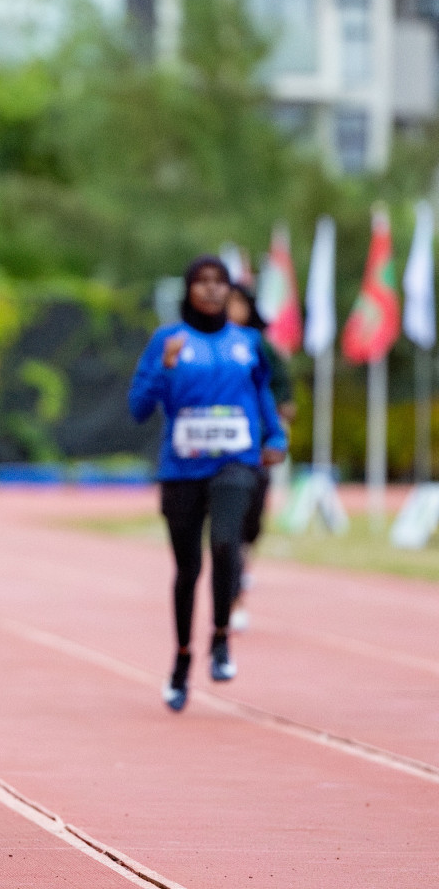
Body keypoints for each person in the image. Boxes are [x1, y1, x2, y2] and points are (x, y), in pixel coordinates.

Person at [129, 257, 286, 713]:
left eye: (221, 283)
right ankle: (181, 659)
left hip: (236, 464)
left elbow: (263, 396)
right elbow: (139, 407)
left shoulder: (248, 343)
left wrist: (274, 436)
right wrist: (165, 368)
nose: (213, 291)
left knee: (226, 543)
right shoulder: (168, 340)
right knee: (187, 569)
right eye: (203, 282)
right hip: (181, 470)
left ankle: (219, 637)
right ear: (188, 289)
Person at [225, 280, 295, 632]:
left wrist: (281, 416)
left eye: (237, 303)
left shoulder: (259, 346)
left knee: (249, 524)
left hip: (256, 446)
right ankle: (233, 594)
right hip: (220, 453)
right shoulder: (206, 345)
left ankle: (241, 563)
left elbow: (280, 388)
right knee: (228, 527)